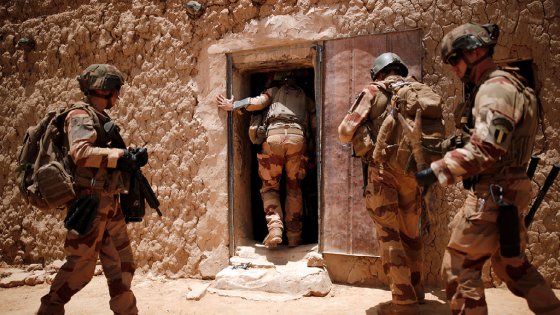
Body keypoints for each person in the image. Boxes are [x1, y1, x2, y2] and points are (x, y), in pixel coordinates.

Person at [415, 23, 560, 314]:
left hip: (492, 193)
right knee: (512, 266)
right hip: (506, 190)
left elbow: (488, 147)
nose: (453, 68)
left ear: (477, 51)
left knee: (458, 268)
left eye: (455, 59)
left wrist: (437, 171)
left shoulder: (495, 87)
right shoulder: (505, 85)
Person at [38, 64, 147, 315]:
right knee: (81, 268)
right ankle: (49, 310)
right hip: (89, 202)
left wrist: (130, 157)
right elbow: (81, 153)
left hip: (108, 202)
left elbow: (102, 157)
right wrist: (121, 155)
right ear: (106, 89)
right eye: (116, 90)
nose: (118, 96)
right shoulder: (80, 115)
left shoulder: (99, 118)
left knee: (123, 264)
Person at [338, 53, 428, 315]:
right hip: (413, 172)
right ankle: (417, 291)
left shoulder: (373, 92)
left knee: (389, 237)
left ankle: (403, 302)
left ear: (378, 74)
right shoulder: (416, 90)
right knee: (411, 234)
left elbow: (345, 132)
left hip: (383, 172)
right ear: (400, 70)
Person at [216, 74, 316, 248]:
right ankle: (294, 236)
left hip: (274, 140)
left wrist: (234, 105)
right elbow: (316, 128)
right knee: (294, 189)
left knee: (270, 187)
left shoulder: (274, 91)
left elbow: (258, 102)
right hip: (298, 141)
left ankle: (275, 228)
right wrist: (314, 154)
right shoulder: (307, 100)